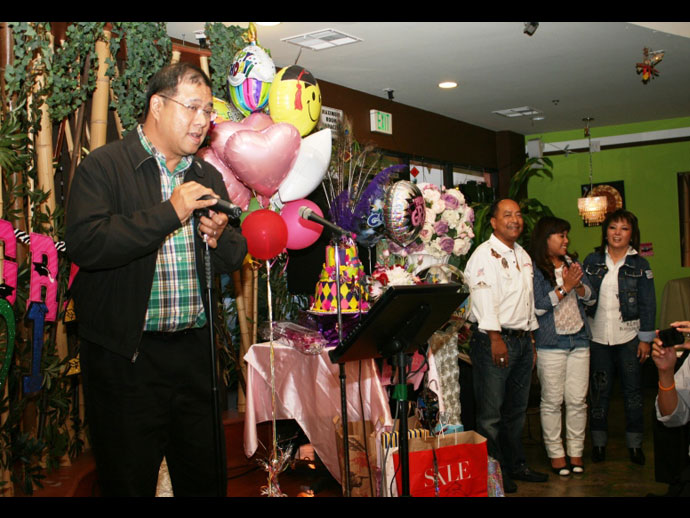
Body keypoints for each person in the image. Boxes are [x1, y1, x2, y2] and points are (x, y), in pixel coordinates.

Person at [65, 63, 247, 496]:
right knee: (128, 483)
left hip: (195, 354)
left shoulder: (206, 175)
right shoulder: (104, 166)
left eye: (208, 111)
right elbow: (87, 244)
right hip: (126, 358)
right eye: (192, 107)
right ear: (158, 106)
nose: (202, 120)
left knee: (204, 480)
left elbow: (235, 254)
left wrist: (220, 237)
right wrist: (171, 212)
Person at [465, 198, 548, 493]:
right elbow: (483, 299)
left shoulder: (522, 254)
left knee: (516, 411)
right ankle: (494, 474)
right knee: (491, 415)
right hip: (494, 341)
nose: (515, 219)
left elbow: (526, 301)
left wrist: (531, 340)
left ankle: (516, 465)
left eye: (518, 214)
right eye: (507, 215)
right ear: (494, 222)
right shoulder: (483, 255)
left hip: (522, 341)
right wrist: (495, 338)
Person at [583, 209, 655, 466]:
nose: (617, 233)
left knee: (633, 393)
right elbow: (581, 298)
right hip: (598, 338)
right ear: (605, 232)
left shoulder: (640, 265)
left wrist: (645, 339)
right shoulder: (592, 261)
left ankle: (635, 445)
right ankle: (598, 444)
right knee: (598, 393)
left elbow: (648, 304)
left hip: (629, 338)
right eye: (613, 227)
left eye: (624, 229)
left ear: (632, 234)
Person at [530, 216, 595, 476]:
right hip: (551, 342)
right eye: (561, 235)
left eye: (567, 235)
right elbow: (538, 306)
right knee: (552, 402)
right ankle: (556, 454)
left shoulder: (572, 263)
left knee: (578, 401)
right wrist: (565, 287)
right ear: (545, 239)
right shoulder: (535, 269)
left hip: (579, 339)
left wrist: (577, 286)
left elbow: (591, 298)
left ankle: (576, 452)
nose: (566, 240)